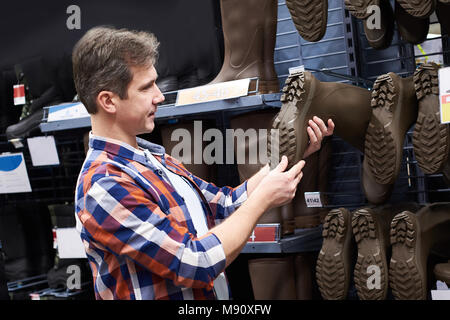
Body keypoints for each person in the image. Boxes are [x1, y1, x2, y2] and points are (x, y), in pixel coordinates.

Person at [73, 26, 334, 300]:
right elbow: (194, 263)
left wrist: (290, 155)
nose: (160, 96)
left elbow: (225, 205)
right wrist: (264, 201)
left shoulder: (154, 158)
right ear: (108, 101)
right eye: (146, 87)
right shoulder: (105, 185)